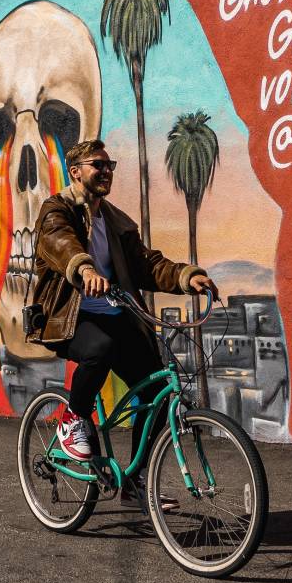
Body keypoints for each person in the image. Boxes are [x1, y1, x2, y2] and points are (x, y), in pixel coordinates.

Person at [27, 139, 219, 506]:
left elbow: (147, 264)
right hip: (68, 319)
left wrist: (185, 278)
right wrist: (84, 270)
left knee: (156, 395)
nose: (105, 171)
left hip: (117, 318)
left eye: (109, 164)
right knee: (99, 348)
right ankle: (72, 420)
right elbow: (61, 243)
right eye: (97, 165)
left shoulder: (114, 220)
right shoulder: (57, 209)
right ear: (76, 171)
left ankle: (135, 483)